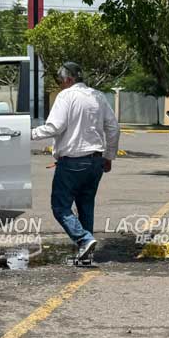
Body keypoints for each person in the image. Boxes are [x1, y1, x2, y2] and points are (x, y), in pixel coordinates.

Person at [31, 62, 121, 263]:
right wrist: (109, 156)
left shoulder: (66, 96)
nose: (60, 85)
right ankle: (86, 254)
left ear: (69, 79)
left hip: (72, 162)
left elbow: (55, 127)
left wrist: (30, 134)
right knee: (86, 206)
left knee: (60, 206)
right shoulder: (98, 96)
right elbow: (113, 128)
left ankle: (83, 239)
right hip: (96, 161)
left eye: (61, 81)